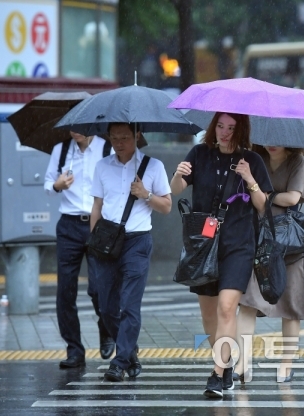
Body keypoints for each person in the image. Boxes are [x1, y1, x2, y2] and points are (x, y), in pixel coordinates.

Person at [169, 112, 272, 399]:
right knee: (209, 313)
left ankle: (216, 374)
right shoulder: (199, 153)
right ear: (213, 127)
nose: (224, 133)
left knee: (227, 308)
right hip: (203, 242)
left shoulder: (252, 160)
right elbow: (175, 189)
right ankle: (225, 362)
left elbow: (263, 206)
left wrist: (249, 178)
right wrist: (178, 174)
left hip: (239, 244)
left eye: (231, 128)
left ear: (241, 130)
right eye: (220, 127)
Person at [90, 122, 172, 382]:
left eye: (124, 137)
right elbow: (97, 205)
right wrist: (93, 241)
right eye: (114, 138)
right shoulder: (102, 166)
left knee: (129, 304)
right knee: (105, 306)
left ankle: (120, 361)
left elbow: (166, 207)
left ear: (137, 135)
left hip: (137, 240)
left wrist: (145, 194)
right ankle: (130, 351)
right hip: (107, 241)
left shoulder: (153, 166)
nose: (119, 142)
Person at [236, 145, 304, 383]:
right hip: (259, 238)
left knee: (291, 305)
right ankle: (242, 363)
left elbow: (293, 197)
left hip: (289, 242)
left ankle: (286, 365)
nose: (272, 143)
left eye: (278, 139)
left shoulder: (297, 163)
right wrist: (260, 190)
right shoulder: (255, 158)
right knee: (247, 301)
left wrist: (263, 193)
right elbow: (252, 199)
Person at [44, 131, 114, 369]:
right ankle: (74, 349)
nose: (76, 131)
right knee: (65, 290)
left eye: (81, 126)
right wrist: (57, 185)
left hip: (99, 224)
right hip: (69, 225)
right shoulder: (61, 150)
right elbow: (47, 184)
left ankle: (106, 331)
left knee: (98, 287)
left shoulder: (107, 149)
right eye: (72, 126)